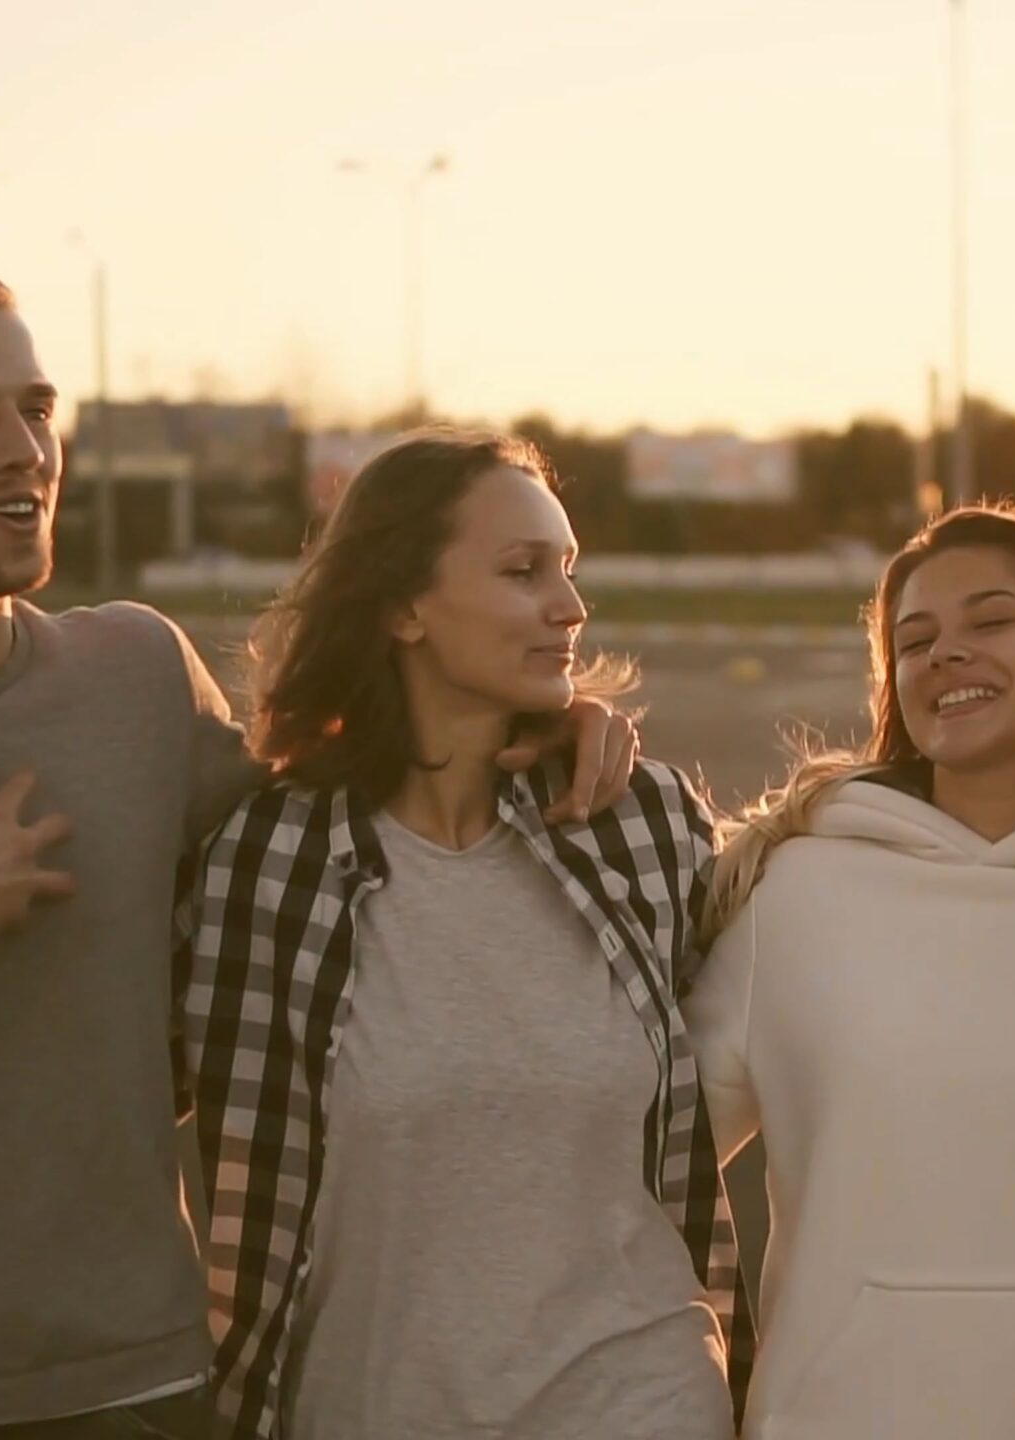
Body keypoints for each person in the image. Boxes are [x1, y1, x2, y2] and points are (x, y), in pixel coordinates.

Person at [0, 266, 635, 1439]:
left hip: (135, 1390)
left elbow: (340, 844)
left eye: (36, 409)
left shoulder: (137, 677)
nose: (24, 450)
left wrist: (537, 720)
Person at [183, 429, 748, 1440]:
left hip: (639, 1400)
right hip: (373, 1404)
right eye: (523, 572)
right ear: (402, 606)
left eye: (568, 572)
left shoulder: (640, 824)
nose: (570, 608)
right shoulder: (266, 861)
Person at [686, 501, 1015, 1439]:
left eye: (992, 620)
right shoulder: (801, 896)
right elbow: (640, 1161)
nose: (946, 654)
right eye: (916, 640)